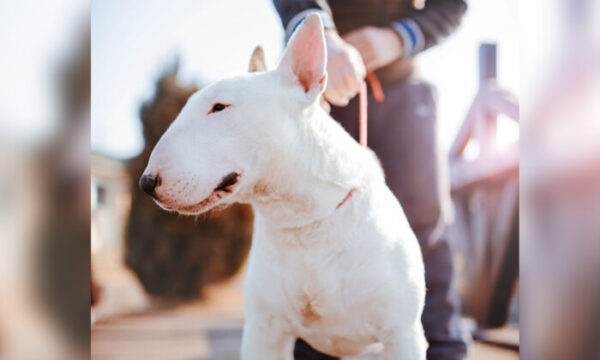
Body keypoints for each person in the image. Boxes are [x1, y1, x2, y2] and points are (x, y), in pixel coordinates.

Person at [273, 1, 468, 359]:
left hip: (404, 89)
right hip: (313, 93)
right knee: (311, 229)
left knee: (425, 226)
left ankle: (443, 350)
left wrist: (397, 38)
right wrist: (320, 33)